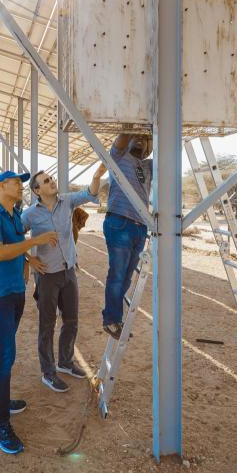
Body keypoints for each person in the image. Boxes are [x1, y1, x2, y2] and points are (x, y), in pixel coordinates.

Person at [0, 170, 58, 455]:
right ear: (2, 186)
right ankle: (0, 425)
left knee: (0, 350)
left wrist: (27, 258)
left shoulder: (13, 216)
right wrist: (33, 243)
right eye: (16, 182)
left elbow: (13, 245)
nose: (21, 186)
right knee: (5, 355)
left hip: (15, 292)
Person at [21, 168, 105, 393]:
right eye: (46, 181)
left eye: (52, 179)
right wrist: (29, 259)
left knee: (71, 321)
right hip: (47, 276)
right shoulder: (29, 215)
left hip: (69, 271)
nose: (52, 182)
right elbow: (14, 237)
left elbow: (89, 193)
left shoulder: (67, 201)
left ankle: (65, 363)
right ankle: (48, 373)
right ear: (37, 190)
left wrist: (97, 177)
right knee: (47, 326)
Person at [101, 134, 152, 340]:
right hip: (120, 222)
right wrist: (133, 127)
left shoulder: (148, 166)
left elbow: (169, 147)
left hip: (140, 226)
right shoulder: (119, 157)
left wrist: (151, 135)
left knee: (126, 277)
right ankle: (111, 320)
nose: (140, 139)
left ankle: (113, 317)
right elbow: (122, 139)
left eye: (145, 138)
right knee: (117, 275)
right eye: (137, 137)